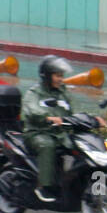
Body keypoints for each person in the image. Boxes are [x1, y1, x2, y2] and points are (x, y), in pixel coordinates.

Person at [21, 55, 75, 203]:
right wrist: (47, 117)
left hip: (58, 134)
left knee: (79, 145)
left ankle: (70, 185)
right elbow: (31, 110)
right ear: (47, 75)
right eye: (57, 76)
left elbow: (71, 113)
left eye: (62, 76)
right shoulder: (35, 93)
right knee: (47, 145)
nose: (60, 79)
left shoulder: (63, 92)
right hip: (37, 133)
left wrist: (92, 119)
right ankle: (43, 187)